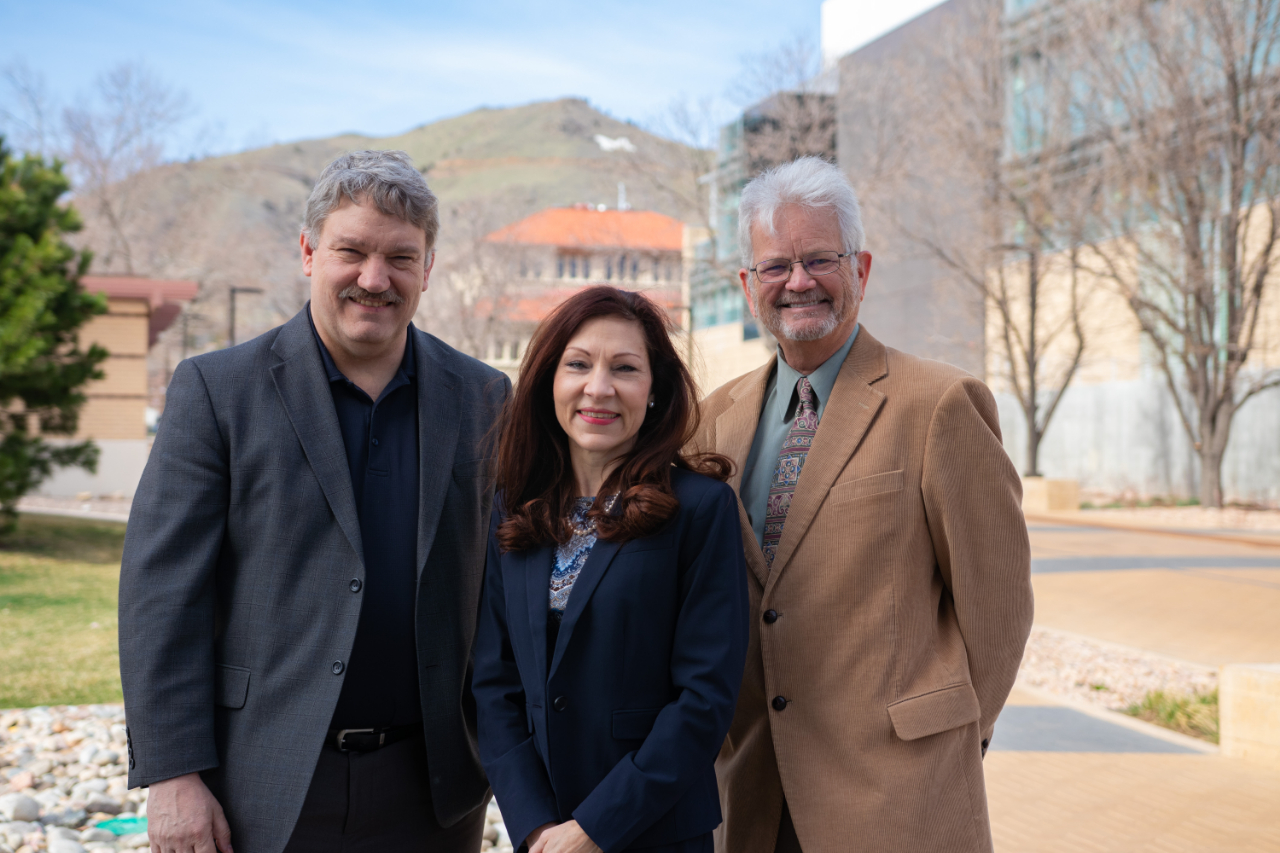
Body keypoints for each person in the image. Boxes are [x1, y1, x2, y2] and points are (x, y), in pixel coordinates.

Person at [118, 150, 509, 853]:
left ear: (428, 266)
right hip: (259, 782)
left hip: (434, 789)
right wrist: (173, 773)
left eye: (399, 257)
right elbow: (160, 593)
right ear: (307, 251)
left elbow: (507, 589)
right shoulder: (218, 391)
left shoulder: (482, 397)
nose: (373, 278)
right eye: (351, 251)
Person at [692, 157, 1035, 853]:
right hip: (751, 796)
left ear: (862, 269)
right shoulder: (711, 423)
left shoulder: (939, 404)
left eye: (820, 258)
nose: (798, 282)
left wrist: (949, 738)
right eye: (775, 266)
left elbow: (997, 609)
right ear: (747, 284)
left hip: (899, 800)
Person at [473, 286, 749, 853]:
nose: (598, 388)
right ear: (550, 378)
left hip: (654, 829)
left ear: (655, 390)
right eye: (578, 365)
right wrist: (537, 826)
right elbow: (494, 683)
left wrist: (594, 829)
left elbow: (704, 699)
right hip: (543, 829)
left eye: (625, 368)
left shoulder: (699, 509)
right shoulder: (514, 509)